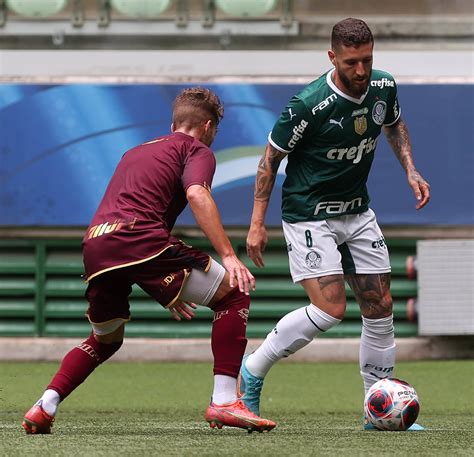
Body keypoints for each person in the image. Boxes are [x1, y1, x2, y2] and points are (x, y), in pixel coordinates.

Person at [22, 87, 276, 434]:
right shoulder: (196, 149)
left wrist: (165, 287)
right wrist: (229, 255)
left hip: (97, 243)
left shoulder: (134, 152)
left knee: (105, 339)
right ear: (207, 126)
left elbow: (130, 214)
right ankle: (223, 401)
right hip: (139, 239)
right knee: (233, 293)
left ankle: (44, 405)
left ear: (174, 123)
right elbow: (196, 193)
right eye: (214, 131)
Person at [238, 18, 430, 431]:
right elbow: (269, 161)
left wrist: (410, 170)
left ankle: (376, 407)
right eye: (351, 63)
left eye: (367, 60)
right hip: (309, 212)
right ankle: (252, 369)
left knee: (379, 307)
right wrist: (257, 223)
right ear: (332, 58)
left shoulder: (382, 87)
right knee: (330, 309)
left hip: (357, 210)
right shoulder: (308, 105)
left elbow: (393, 123)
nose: (361, 71)